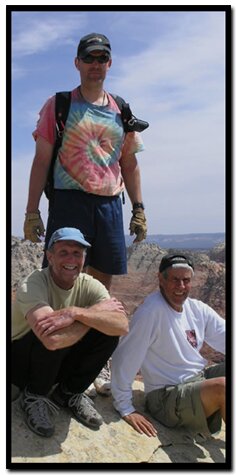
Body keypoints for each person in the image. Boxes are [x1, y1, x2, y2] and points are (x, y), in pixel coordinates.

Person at [23, 32, 147, 292]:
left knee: (100, 286)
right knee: (61, 281)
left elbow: (129, 163)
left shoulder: (121, 109)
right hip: (69, 202)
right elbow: (41, 161)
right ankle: (56, 330)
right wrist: (32, 212)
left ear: (109, 63)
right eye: (88, 57)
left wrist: (138, 209)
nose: (95, 63)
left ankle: (93, 331)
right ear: (77, 63)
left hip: (110, 204)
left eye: (102, 57)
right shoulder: (59, 105)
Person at [12, 227, 128, 438]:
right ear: (50, 256)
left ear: (84, 257)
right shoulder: (34, 283)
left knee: (107, 332)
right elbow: (52, 340)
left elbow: (121, 325)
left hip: (54, 360)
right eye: (63, 252)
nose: (71, 259)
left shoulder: (90, 284)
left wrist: (75, 313)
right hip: (20, 360)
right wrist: (92, 315)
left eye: (77, 253)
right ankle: (34, 395)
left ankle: (68, 393)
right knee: (56, 328)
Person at [111, 253, 225, 438]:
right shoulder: (151, 313)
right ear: (161, 280)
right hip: (166, 396)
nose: (181, 287)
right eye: (175, 280)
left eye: (186, 281)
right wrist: (125, 407)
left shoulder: (197, 309)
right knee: (224, 387)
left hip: (196, 380)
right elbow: (124, 358)